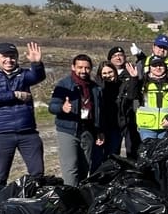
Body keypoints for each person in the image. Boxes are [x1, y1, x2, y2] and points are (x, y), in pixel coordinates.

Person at [0, 42, 46, 203]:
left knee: (37, 173)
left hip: (28, 132)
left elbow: (38, 76)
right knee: (0, 176)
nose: (9, 60)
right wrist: (13, 94)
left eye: (12, 57)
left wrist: (36, 63)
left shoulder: (23, 75)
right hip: (1, 134)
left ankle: (35, 207)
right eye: (5, 56)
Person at [49, 54, 104, 186]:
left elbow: (98, 112)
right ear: (73, 67)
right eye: (80, 67)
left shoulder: (95, 88)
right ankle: (70, 199)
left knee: (85, 168)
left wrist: (99, 131)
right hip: (68, 131)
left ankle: (81, 198)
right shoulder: (64, 85)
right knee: (71, 169)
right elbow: (52, 106)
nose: (83, 71)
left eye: (87, 68)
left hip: (88, 131)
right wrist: (62, 107)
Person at [126, 56, 168, 141]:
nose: (158, 68)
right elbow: (132, 96)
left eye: (161, 65)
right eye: (154, 65)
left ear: (165, 67)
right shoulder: (143, 82)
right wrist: (134, 79)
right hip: (146, 127)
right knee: (149, 153)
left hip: (166, 126)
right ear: (150, 68)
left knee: (164, 154)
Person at [108, 45, 141, 159]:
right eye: (115, 56)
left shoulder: (132, 72)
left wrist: (136, 112)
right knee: (112, 151)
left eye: (120, 55)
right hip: (112, 119)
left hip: (130, 118)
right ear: (110, 59)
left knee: (132, 150)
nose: (118, 58)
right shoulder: (106, 73)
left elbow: (137, 96)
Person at [96, 61, 129, 161]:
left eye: (110, 72)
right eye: (104, 73)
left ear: (115, 71)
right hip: (101, 127)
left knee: (114, 156)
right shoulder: (98, 88)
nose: (108, 76)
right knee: (99, 156)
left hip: (116, 127)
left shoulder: (121, 85)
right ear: (100, 75)